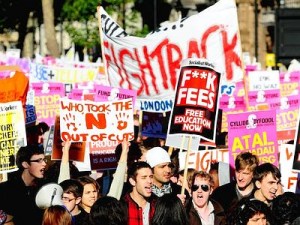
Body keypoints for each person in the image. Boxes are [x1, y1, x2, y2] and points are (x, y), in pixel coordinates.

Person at [0, 144, 47, 225]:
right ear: (25, 164)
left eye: (44, 160)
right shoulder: (6, 189)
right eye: (39, 160)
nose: (44, 164)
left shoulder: (44, 187)